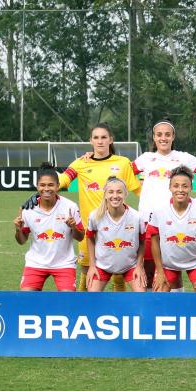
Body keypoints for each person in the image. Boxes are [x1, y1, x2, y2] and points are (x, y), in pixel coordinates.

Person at [45, 123, 141, 291]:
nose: (100, 141)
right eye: (96, 137)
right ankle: (85, 308)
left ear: (111, 140)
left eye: (104, 137)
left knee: (119, 273)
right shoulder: (81, 163)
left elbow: (138, 190)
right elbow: (63, 181)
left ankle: (118, 311)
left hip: (118, 227)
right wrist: (42, 191)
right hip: (90, 229)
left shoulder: (123, 163)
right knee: (88, 271)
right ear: (90, 141)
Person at [132, 119, 196, 286]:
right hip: (148, 219)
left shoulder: (182, 157)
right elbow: (123, 169)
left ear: (173, 137)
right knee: (151, 267)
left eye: (167, 134)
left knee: (174, 262)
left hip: (175, 220)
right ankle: (155, 304)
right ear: (154, 137)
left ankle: (176, 302)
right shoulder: (146, 158)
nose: (163, 138)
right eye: (159, 135)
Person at [13, 163, 84, 291]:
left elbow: (80, 237)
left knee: (68, 300)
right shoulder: (28, 209)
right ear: (37, 186)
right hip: (36, 263)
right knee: (26, 298)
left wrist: (73, 227)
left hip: (64, 264)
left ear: (58, 186)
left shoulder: (70, 207)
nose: (46, 189)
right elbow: (21, 241)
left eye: (51, 185)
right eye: (42, 185)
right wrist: (18, 230)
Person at [147, 166, 196, 292]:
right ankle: (177, 294)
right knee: (159, 294)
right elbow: (154, 241)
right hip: (168, 264)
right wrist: (160, 271)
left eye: (185, 186)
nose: (180, 190)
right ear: (170, 187)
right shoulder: (159, 210)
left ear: (191, 188)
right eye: (176, 186)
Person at [85, 177, 146, 292]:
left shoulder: (137, 217)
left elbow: (142, 241)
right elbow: (90, 238)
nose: (115, 196)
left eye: (119, 192)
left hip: (130, 266)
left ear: (125, 194)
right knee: (92, 296)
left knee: (141, 296)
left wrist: (139, 266)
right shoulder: (95, 216)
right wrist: (92, 265)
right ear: (105, 195)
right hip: (102, 266)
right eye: (111, 192)